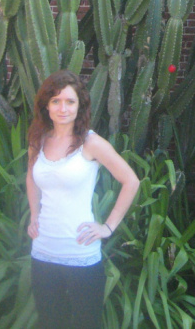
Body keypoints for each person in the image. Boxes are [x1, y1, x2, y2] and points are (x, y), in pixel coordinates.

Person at [26, 70, 140, 329]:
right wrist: (34, 214)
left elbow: (131, 181)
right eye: (55, 101)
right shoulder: (38, 139)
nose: (62, 108)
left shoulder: (91, 143)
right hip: (43, 251)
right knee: (49, 322)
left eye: (70, 101)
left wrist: (107, 227)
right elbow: (31, 178)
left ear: (80, 106)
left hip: (81, 253)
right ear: (46, 106)